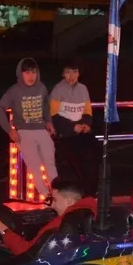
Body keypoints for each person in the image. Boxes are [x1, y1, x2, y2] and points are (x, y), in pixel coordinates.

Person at [0, 178, 97, 257]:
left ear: (69, 201)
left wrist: (1, 228)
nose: (52, 205)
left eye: (55, 200)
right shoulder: (87, 214)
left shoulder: (62, 223)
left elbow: (25, 253)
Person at [0, 58, 56, 200]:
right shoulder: (14, 91)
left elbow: (45, 105)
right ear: (21, 74)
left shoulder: (41, 87)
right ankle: (45, 195)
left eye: (33, 72)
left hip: (41, 129)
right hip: (23, 131)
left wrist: (48, 121)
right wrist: (10, 130)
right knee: (34, 164)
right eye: (27, 73)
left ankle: (57, 193)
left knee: (50, 163)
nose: (31, 76)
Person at [50, 60, 99, 196]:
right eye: (67, 72)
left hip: (81, 133)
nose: (71, 76)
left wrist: (86, 125)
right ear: (62, 74)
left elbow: (87, 111)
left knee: (96, 156)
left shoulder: (83, 89)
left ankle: (92, 193)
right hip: (66, 135)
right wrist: (72, 127)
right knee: (77, 165)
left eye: (74, 72)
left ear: (79, 74)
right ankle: (81, 195)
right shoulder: (58, 90)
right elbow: (54, 115)